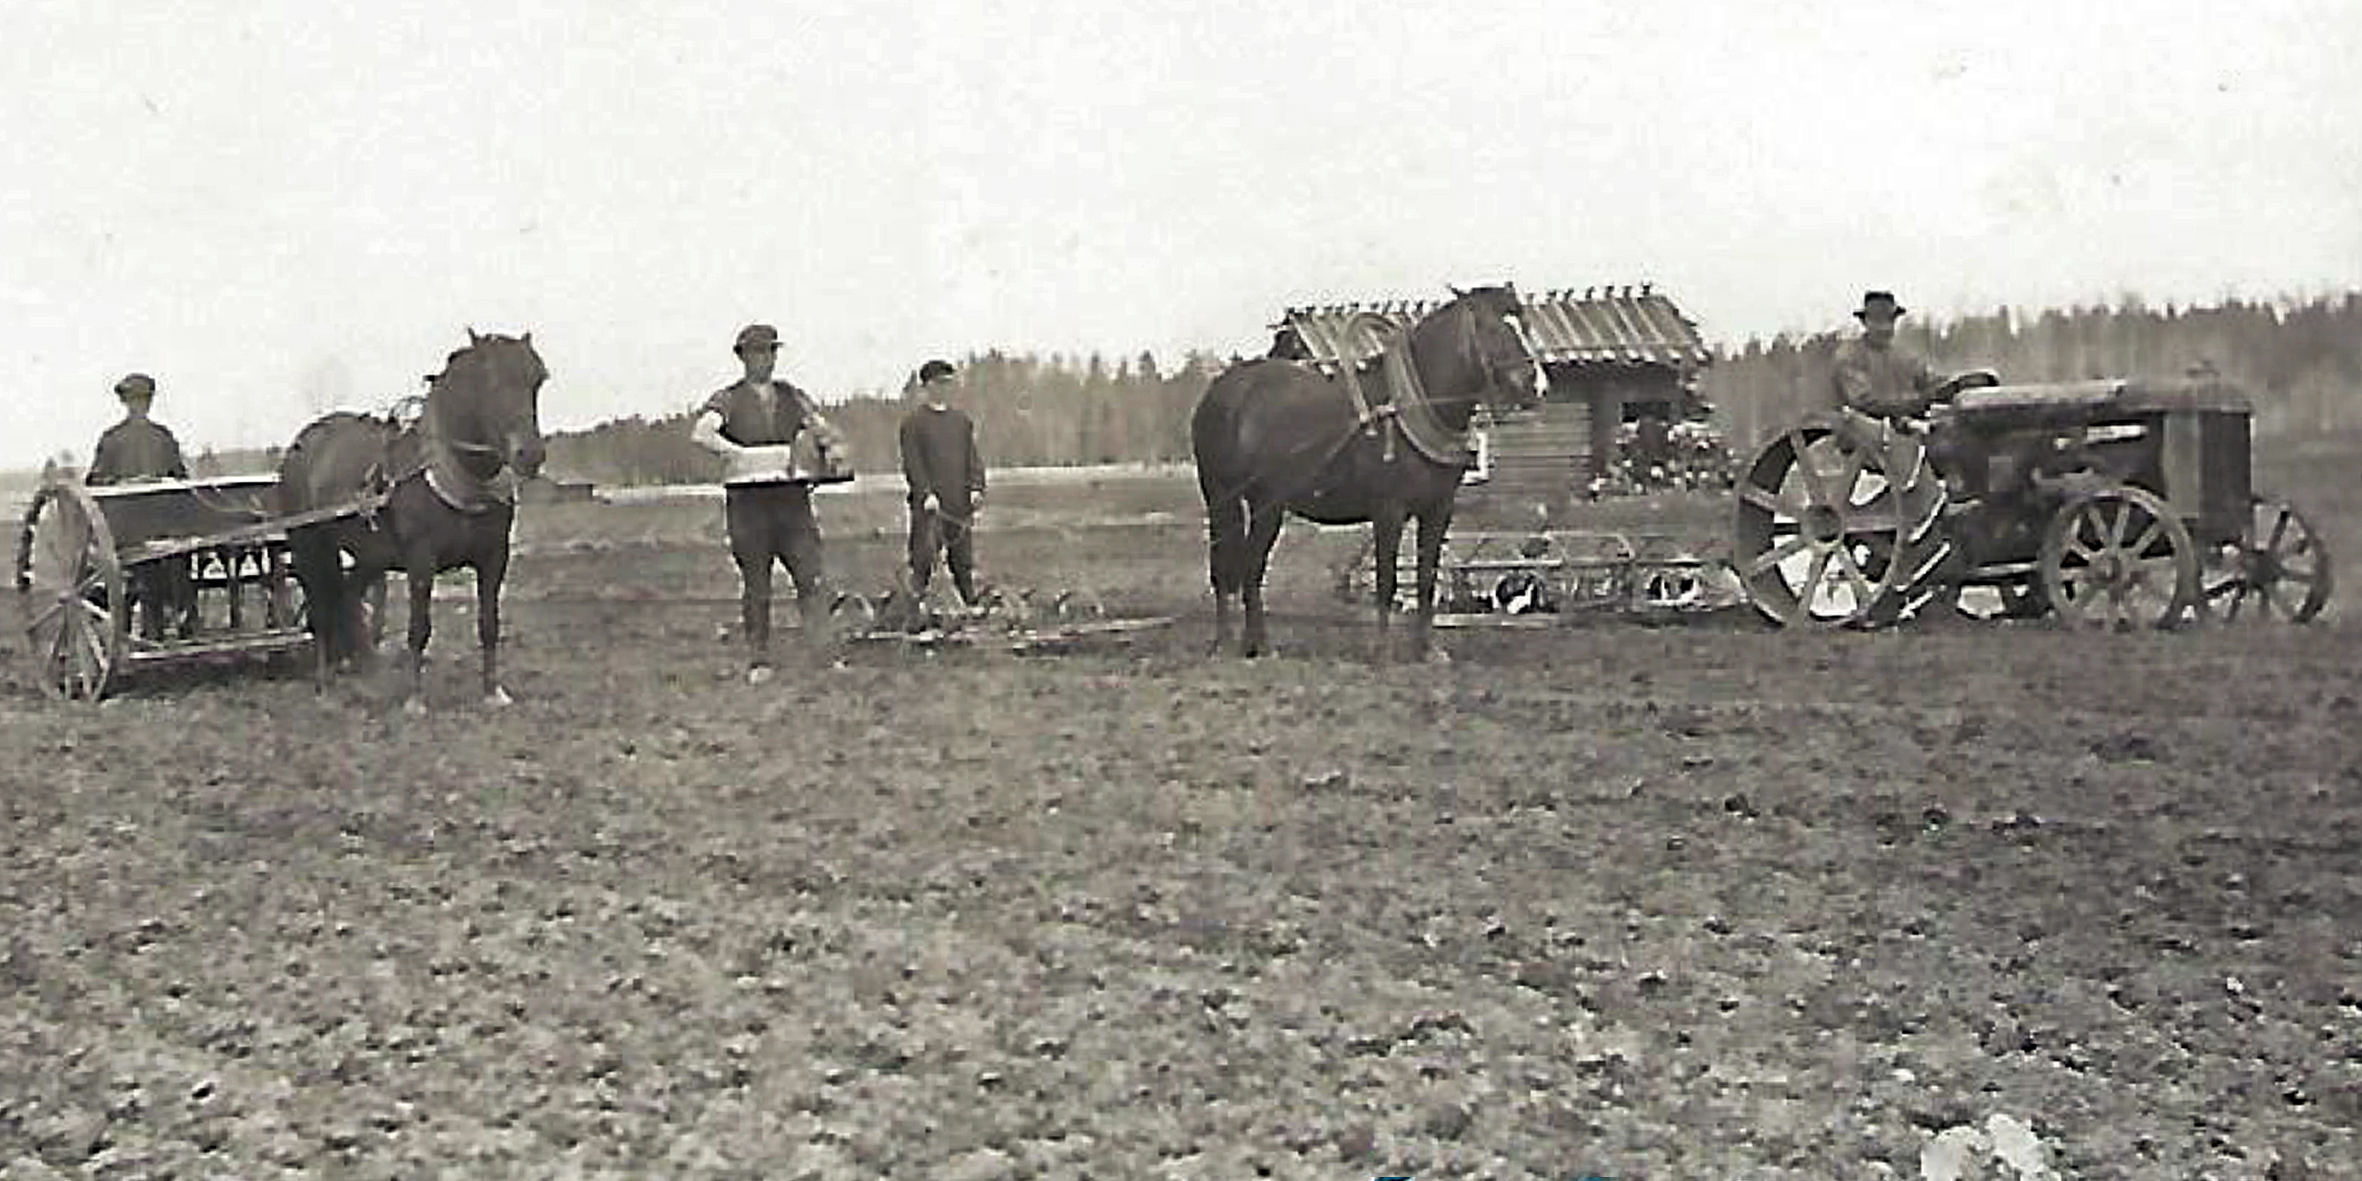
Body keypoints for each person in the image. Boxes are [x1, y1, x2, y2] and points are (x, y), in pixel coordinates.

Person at [690, 323, 837, 684]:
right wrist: (738, 455)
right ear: (743, 358)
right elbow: (702, 433)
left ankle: (822, 653)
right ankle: (759, 659)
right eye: (757, 353)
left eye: (771, 352)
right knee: (757, 582)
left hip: (791, 499)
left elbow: (820, 428)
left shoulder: (791, 396)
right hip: (749, 503)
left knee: (810, 575)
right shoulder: (728, 399)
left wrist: (826, 447)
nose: (765, 360)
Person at [87, 372, 195, 637]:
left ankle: (161, 623)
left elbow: (95, 483)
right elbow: (181, 478)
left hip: (132, 529)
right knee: (168, 563)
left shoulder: (114, 439)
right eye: (137, 400)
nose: (139, 405)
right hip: (155, 528)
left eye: (141, 400)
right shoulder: (160, 437)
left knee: (157, 567)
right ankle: (168, 620)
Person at [897, 359, 986, 616]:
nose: (945, 388)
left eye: (948, 383)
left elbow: (973, 459)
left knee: (963, 562)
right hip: (929, 509)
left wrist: (977, 488)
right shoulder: (913, 424)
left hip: (958, 505)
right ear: (926, 387)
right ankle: (913, 612)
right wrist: (925, 494)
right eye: (939, 383)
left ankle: (970, 608)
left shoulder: (961, 422)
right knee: (923, 561)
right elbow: (913, 465)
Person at [87, 373, 190, 486]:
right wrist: (123, 483)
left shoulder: (163, 437)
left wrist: (162, 481)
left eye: (145, 398)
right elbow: (94, 480)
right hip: (124, 501)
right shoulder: (112, 439)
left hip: (162, 501)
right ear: (125, 400)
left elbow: (181, 478)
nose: (141, 403)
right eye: (135, 398)